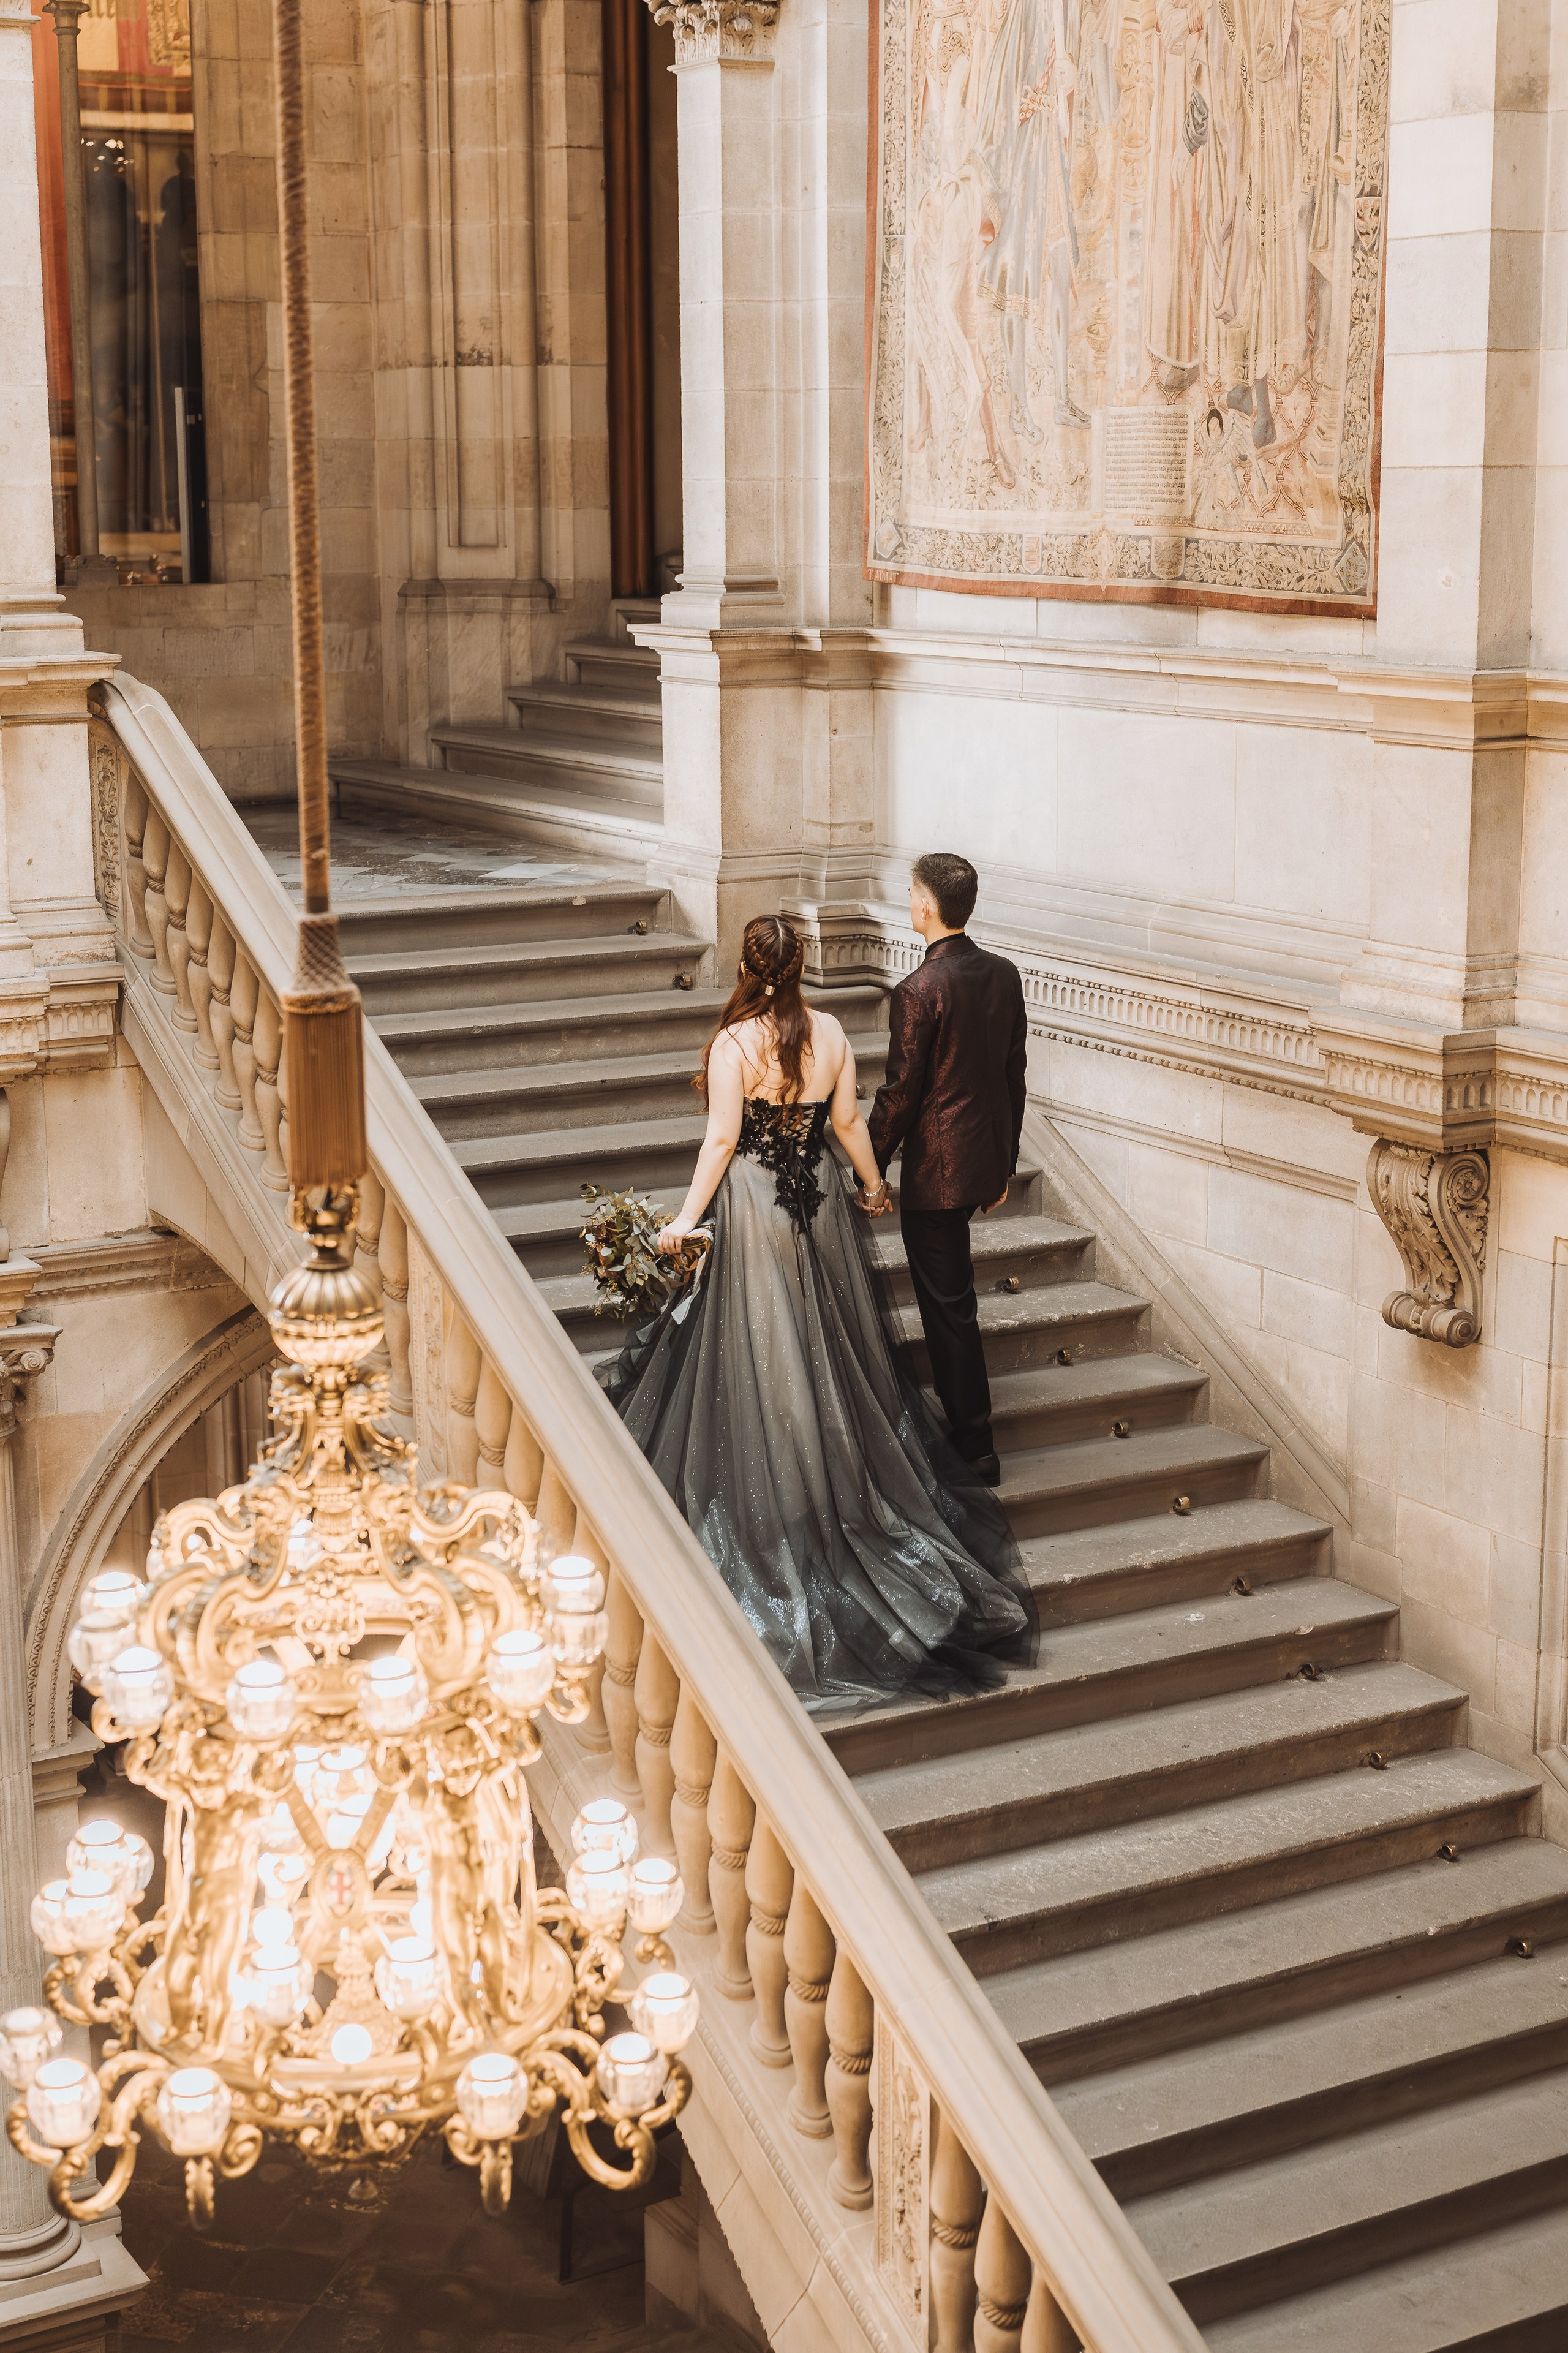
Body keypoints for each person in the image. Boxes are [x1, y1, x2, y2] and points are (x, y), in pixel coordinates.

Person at [601, 914, 1028, 1712]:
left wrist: (686, 1219)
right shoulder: (830, 1030)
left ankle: (783, 1486)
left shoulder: (734, 1045)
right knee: (822, 1340)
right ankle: (836, 1482)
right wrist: (871, 1186)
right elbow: (844, 1124)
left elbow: (722, 1139)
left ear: (745, 966)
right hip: (821, 1201)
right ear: (801, 965)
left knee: (765, 1343)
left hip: (758, 1207)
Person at [866, 853, 1027, 1487]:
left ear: (927, 905)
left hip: (937, 1175)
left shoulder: (918, 990)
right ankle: (971, 1432)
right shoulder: (1003, 973)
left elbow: (900, 1094)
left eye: (910, 894)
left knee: (948, 1308)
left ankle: (973, 1442)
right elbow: (1013, 1076)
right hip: (980, 1161)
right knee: (953, 1302)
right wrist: (1003, 1161)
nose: (909, 902)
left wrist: (867, 1168)